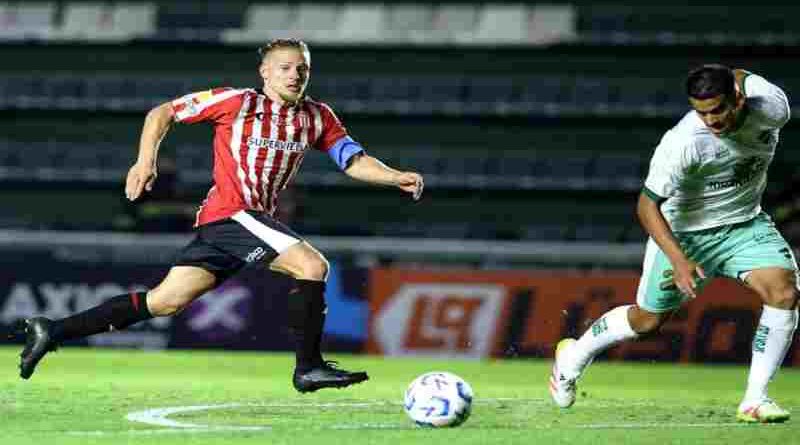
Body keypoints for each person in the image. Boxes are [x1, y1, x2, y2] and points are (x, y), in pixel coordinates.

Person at [18, 39, 424, 393]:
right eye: (285, 67)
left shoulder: (317, 116)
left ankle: (52, 330)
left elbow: (352, 160)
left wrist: (394, 177)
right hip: (232, 214)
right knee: (312, 266)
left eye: (303, 68)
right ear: (264, 72)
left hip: (241, 225)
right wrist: (145, 163)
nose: (295, 75)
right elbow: (161, 113)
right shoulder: (238, 101)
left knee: (164, 302)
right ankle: (308, 368)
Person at [549, 64, 797, 423]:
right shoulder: (683, 142)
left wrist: (732, 74)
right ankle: (572, 358)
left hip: (745, 225)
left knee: (784, 293)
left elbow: (738, 72)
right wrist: (679, 260)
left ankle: (755, 400)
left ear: (738, 99)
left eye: (718, 109)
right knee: (647, 321)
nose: (711, 120)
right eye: (702, 112)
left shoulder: (772, 107)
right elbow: (647, 205)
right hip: (685, 233)